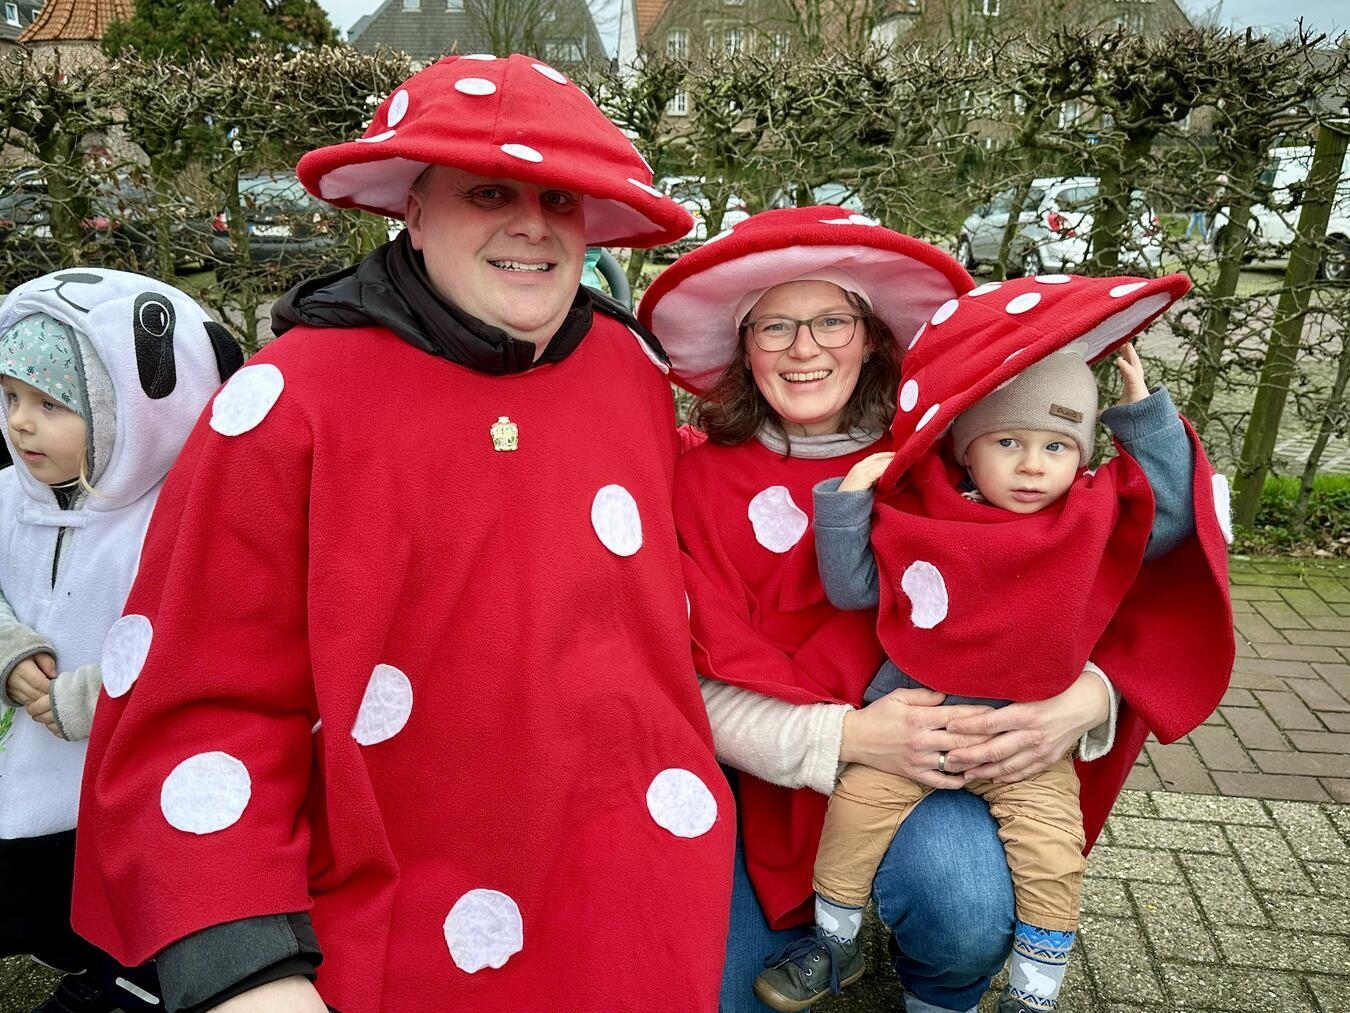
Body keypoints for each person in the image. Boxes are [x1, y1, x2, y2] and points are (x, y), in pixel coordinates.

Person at [71, 55, 735, 1013]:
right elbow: (196, 705)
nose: (532, 223)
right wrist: (245, 964)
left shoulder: (630, 368)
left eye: (560, 195)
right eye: (490, 190)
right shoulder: (289, 402)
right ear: (413, 211)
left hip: (635, 897)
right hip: (392, 938)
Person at [639, 208, 1129, 1013]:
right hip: (757, 777)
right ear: (742, 343)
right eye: (775, 326)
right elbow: (666, 668)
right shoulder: (684, 477)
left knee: (964, 910)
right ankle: (833, 936)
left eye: (831, 319)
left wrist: (1083, 699)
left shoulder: (961, 463)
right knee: (714, 996)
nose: (805, 348)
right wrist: (843, 736)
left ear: (869, 336)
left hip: (934, 763)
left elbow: (1100, 585)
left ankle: (940, 986)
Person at [781, 272, 1234, 1013]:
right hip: (916, 720)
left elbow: (1174, 525)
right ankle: (833, 941)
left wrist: (1143, 418)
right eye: (1009, 442)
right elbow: (855, 588)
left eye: (1059, 445)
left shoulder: (1089, 516)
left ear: (1082, 453)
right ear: (966, 448)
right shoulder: (929, 511)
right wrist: (848, 504)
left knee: (1052, 852)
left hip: (1029, 746)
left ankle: (1034, 988)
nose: (1033, 464)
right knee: (852, 818)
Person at [0, 269, 243, 1013]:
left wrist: (98, 690)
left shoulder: (181, 520)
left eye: (51, 403)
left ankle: (113, 982)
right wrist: (8, 645)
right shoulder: (9, 498)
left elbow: (208, 638)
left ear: (135, 409)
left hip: (119, 795)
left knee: (117, 921)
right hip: (24, 776)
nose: (20, 424)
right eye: (10, 396)